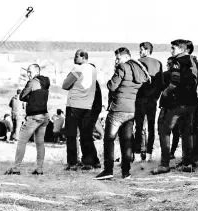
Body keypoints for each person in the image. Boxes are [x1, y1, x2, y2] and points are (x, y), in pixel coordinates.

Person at [94, 47, 150, 180]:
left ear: (125, 57)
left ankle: (108, 170)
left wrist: (111, 78)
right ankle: (126, 172)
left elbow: (112, 86)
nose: (116, 60)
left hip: (118, 109)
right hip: (131, 110)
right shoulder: (140, 70)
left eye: (118, 58)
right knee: (126, 141)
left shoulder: (122, 67)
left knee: (109, 139)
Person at [151, 39, 198, 175]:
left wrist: (166, 92)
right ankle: (187, 163)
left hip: (177, 103)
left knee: (164, 130)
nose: (171, 51)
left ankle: (164, 164)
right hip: (191, 102)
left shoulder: (177, 62)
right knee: (186, 133)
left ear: (181, 49)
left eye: (173, 48)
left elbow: (174, 82)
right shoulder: (194, 61)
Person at [4, 64, 50, 175]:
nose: (27, 74)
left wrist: (30, 98)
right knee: (40, 143)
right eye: (27, 71)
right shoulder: (46, 83)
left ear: (37, 72)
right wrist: (33, 97)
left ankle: (16, 168)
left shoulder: (32, 82)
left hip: (34, 116)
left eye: (30, 71)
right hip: (44, 115)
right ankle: (39, 169)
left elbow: (22, 96)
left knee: (21, 141)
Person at [62, 49, 99, 171]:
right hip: (87, 106)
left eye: (76, 56)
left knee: (71, 135)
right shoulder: (93, 70)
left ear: (83, 57)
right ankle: (88, 161)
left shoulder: (78, 69)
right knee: (86, 135)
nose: (74, 58)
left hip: (74, 105)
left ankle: (72, 162)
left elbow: (65, 85)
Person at [133, 42, 164, 162]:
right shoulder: (158, 63)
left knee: (139, 127)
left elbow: (135, 82)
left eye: (141, 50)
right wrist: (155, 97)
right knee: (151, 127)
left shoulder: (137, 63)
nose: (139, 52)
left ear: (146, 50)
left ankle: (137, 155)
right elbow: (161, 84)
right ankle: (149, 155)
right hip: (152, 100)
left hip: (139, 99)